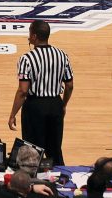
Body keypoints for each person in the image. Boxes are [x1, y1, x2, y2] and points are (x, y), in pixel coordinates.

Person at [7, 19, 73, 166]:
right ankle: (60, 183)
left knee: (32, 152)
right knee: (55, 150)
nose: (28, 37)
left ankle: (31, 184)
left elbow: (23, 91)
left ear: (35, 36)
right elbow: (69, 85)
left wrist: (13, 114)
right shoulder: (62, 55)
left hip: (34, 107)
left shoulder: (26, 59)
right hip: (55, 104)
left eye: (30, 33)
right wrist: (63, 104)